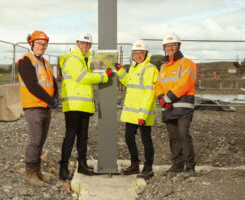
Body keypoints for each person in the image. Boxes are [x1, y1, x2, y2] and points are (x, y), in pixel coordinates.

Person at [59, 32, 112, 180]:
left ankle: (82, 165)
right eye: (83, 43)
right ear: (77, 44)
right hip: (73, 105)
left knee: (83, 137)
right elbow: (84, 77)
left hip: (83, 105)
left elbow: (93, 69)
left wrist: (105, 60)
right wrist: (104, 76)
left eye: (88, 44)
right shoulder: (73, 59)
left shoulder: (85, 59)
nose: (85, 46)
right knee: (70, 136)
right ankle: (63, 169)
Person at [17, 30, 59, 186]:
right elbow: (32, 85)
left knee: (41, 140)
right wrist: (50, 100)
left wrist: (56, 98)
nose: (42, 46)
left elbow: (53, 82)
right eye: (39, 43)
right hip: (33, 107)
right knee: (34, 140)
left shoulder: (45, 62)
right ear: (31, 43)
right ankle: (30, 174)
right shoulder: (25, 61)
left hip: (45, 106)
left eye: (44, 44)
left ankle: (37, 171)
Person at [115, 40, 158, 180]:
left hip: (142, 113)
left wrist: (143, 114)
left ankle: (148, 167)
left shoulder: (150, 69)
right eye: (135, 53)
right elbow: (128, 82)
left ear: (145, 53)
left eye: (140, 53)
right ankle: (135, 164)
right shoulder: (134, 67)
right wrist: (121, 71)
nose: (137, 55)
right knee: (128, 138)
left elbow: (149, 93)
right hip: (131, 113)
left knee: (146, 140)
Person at [155, 33, 197, 176]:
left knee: (183, 133)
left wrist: (167, 98)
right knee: (173, 136)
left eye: (173, 45)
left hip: (183, 105)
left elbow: (185, 82)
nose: (170, 48)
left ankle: (190, 167)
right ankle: (177, 165)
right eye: (167, 46)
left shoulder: (187, 63)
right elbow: (158, 84)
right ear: (164, 48)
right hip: (168, 106)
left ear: (178, 46)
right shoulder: (163, 67)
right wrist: (161, 98)